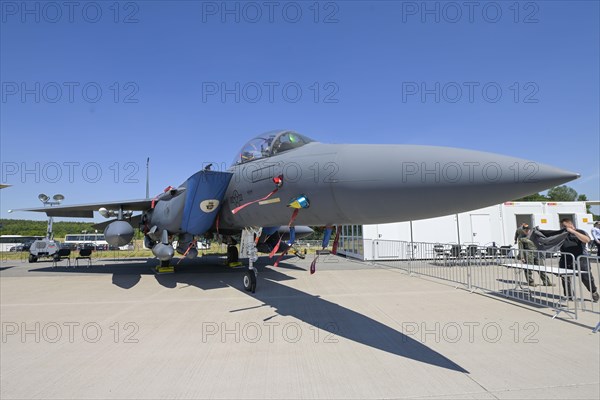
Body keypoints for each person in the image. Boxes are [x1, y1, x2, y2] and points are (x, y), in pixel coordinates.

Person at [557, 218, 598, 301]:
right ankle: (569, 295)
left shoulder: (580, 231)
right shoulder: (562, 234)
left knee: (586, 278)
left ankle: (593, 291)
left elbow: (587, 240)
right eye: (562, 226)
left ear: (571, 225)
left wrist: (573, 232)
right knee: (565, 278)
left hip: (581, 259)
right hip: (566, 259)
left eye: (565, 226)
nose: (563, 228)